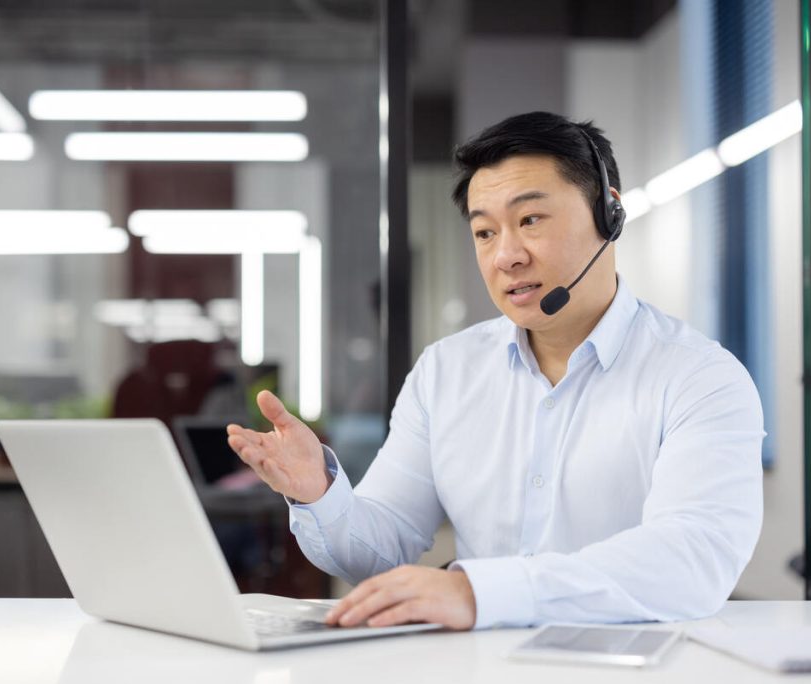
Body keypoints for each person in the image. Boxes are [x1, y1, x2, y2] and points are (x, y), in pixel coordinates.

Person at [226, 111, 764, 631]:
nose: (506, 256)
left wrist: (479, 593)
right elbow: (383, 545)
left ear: (610, 212)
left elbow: (694, 557)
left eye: (530, 220)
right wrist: (318, 494)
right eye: (485, 233)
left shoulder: (700, 377)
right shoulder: (447, 371)